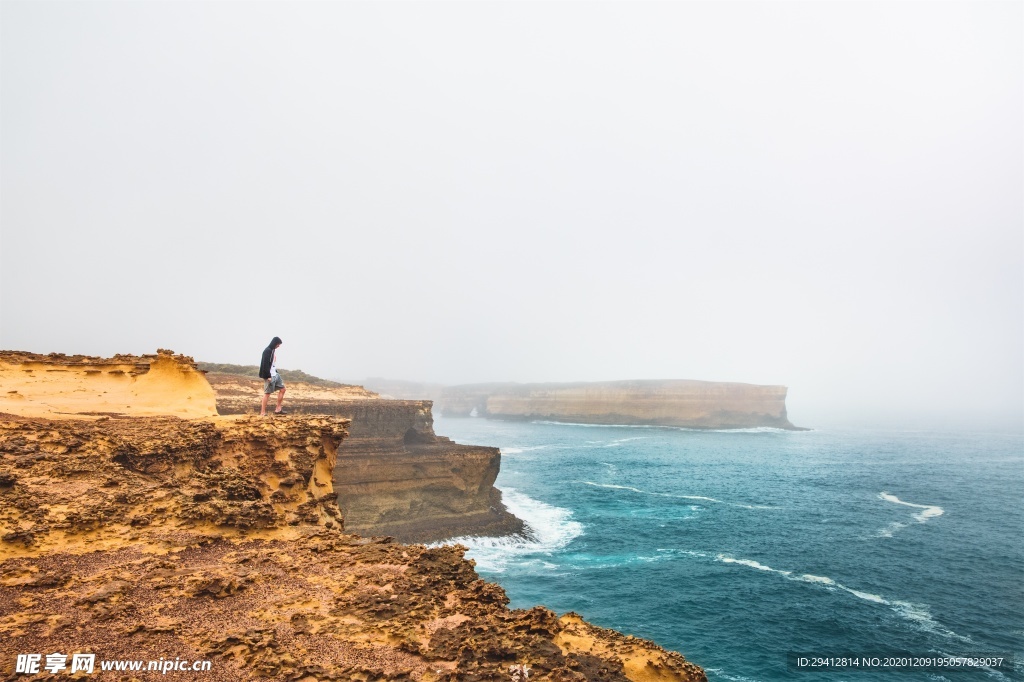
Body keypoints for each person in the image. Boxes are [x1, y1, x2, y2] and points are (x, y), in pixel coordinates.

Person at [259, 336, 286, 416]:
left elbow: (272, 364)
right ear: (275, 343)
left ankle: (278, 409)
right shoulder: (267, 351)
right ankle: (262, 412)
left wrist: (276, 372)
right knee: (267, 393)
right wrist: (268, 376)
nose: (279, 346)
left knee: (283, 389)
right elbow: (265, 364)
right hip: (269, 375)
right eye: (278, 344)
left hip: (275, 374)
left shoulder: (273, 350)